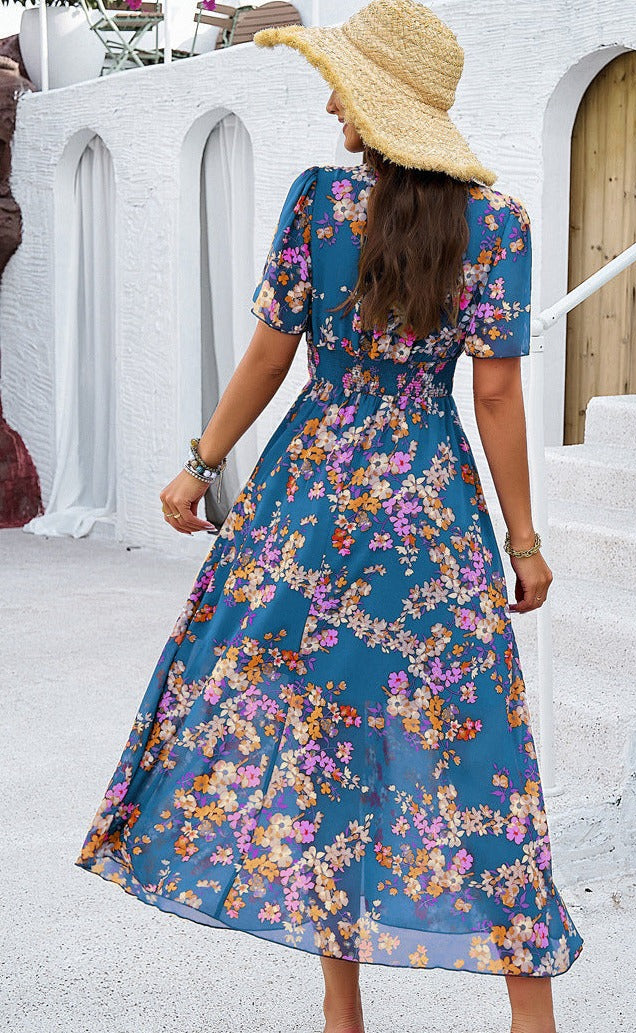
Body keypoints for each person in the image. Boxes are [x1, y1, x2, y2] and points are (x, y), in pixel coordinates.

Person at [75, 1, 584, 1031]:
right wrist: (521, 538)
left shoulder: (316, 207)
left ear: (373, 104)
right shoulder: (498, 227)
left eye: (341, 85)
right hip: (427, 512)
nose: (327, 100)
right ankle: (531, 1017)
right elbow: (492, 397)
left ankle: (339, 1014)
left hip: (306, 503)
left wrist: (198, 465)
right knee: (472, 744)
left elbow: (268, 358)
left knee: (317, 737)